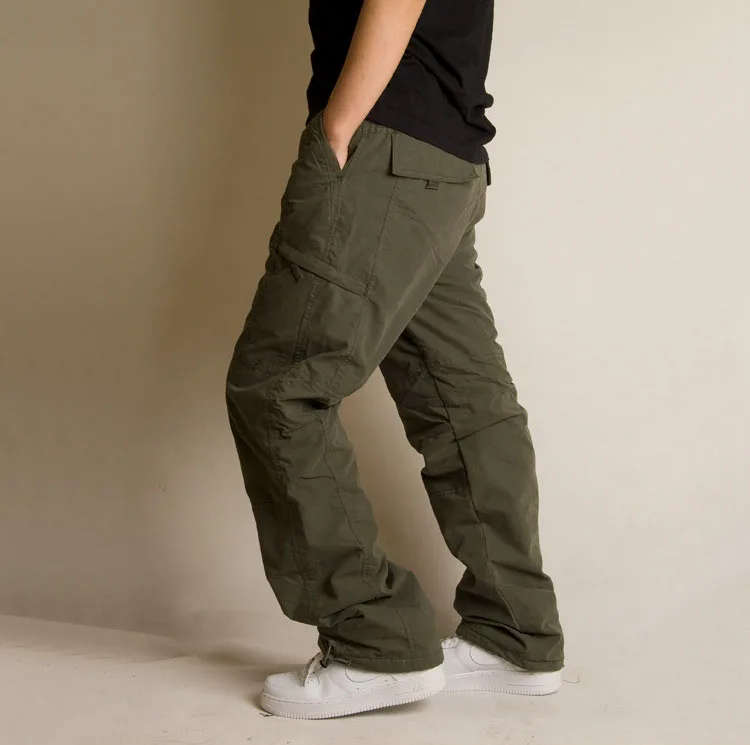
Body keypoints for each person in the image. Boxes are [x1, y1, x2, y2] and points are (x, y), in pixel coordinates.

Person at [225, 0, 564, 720]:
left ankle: (373, 641)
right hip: (446, 153)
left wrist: (337, 129)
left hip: (385, 144)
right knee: (463, 401)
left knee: (279, 387)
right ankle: (514, 631)